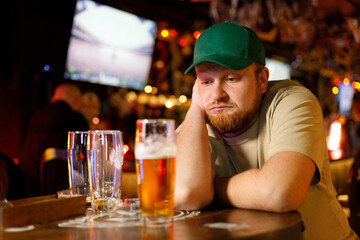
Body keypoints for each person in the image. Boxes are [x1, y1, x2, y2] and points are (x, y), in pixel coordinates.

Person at [174, 21, 358, 239]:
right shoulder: (195, 125)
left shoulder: (293, 100)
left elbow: (279, 193)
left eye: (231, 78)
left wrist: (212, 188)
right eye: (206, 81)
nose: (217, 95)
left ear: (262, 80)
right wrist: (195, 107)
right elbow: (186, 195)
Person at [20, 83, 89, 197]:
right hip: (64, 193)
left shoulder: (36, 116)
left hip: (30, 189)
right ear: (77, 100)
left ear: (54, 97)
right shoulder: (77, 118)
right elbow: (86, 160)